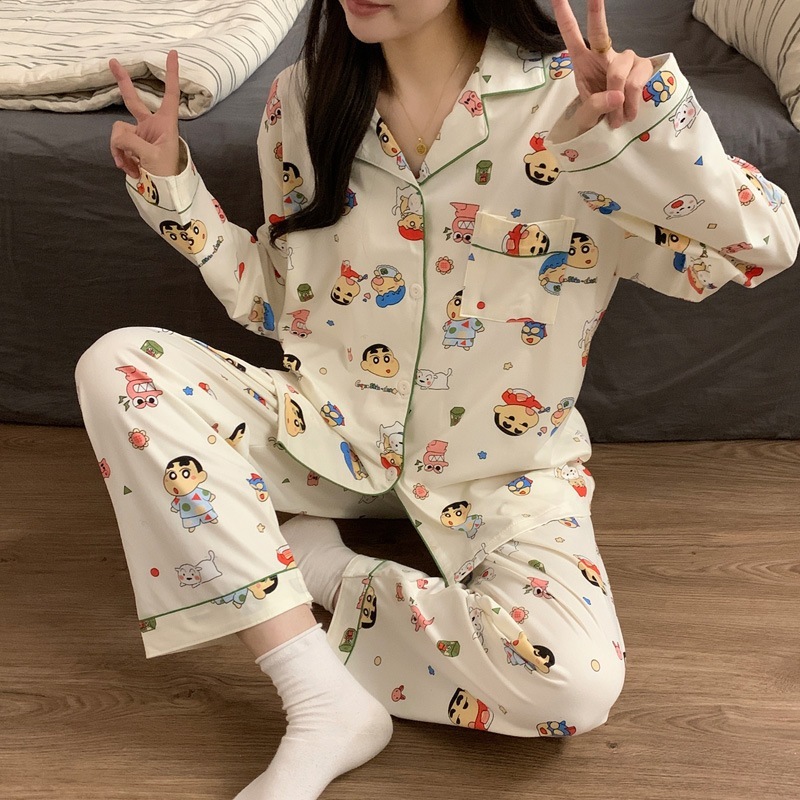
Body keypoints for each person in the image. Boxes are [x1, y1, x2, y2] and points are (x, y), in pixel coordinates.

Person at [74, 0, 799, 798]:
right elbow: (280, 299)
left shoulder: (574, 105)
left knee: (574, 685)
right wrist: (172, 184)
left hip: (500, 470)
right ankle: (317, 696)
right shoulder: (304, 99)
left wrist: (644, 133)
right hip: (328, 434)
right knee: (118, 367)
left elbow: (759, 247)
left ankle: (317, 567)